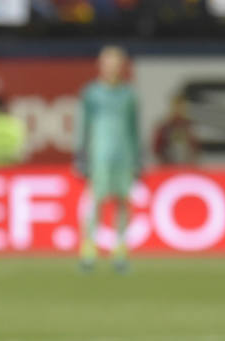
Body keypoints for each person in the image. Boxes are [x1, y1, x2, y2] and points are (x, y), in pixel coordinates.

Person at [75, 44, 140, 272]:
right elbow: (83, 126)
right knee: (96, 200)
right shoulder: (91, 94)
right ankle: (88, 248)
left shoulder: (129, 95)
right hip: (99, 154)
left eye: (116, 63)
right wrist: (81, 155)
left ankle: (120, 249)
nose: (112, 68)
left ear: (122, 67)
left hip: (124, 155)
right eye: (108, 63)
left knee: (123, 201)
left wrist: (138, 158)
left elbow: (134, 129)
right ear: (100, 66)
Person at [152, 92, 199, 165]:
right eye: (176, 106)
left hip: (187, 167)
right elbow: (157, 149)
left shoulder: (188, 126)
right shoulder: (164, 127)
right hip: (168, 167)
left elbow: (195, 149)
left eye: (181, 106)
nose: (179, 109)